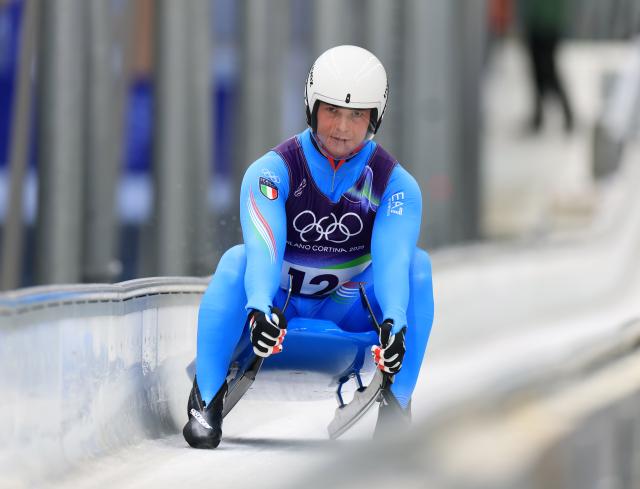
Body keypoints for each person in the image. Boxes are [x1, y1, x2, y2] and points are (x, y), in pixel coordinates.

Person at [182, 45, 434, 449]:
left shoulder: (396, 186)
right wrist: (260, 306)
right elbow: (263, 245)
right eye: (332, 110)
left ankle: (397, 405)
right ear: (311, 107)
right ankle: (206, 397)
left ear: (375, 118)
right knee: (235, 261)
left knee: (418, 267)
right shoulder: (272, 171)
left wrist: (395, 324)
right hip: (279, 307)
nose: (342, 127)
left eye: (357, 115)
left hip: (347, 306)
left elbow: (394, 259)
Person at [520, 0, 574, 133]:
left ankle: (567, 114)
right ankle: (538, 116)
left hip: (547, 26)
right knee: (537, 73)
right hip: (539, 24)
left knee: (549, 72)